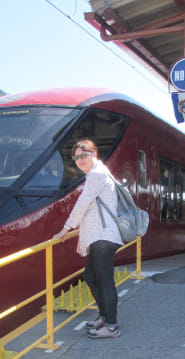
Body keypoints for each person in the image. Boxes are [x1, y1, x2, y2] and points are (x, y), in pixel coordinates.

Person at [54, 139, 123, 339]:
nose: (80, 160)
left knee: (104, 281)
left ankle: (111, 326)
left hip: (103, 237)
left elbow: (82, 205)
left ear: (94, 154)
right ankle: (105, 316)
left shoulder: (97, 174)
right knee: (91, 277)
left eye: (84, 155)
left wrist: (66, 229)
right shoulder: (99, 173)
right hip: (99, 237)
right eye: (76, 157)